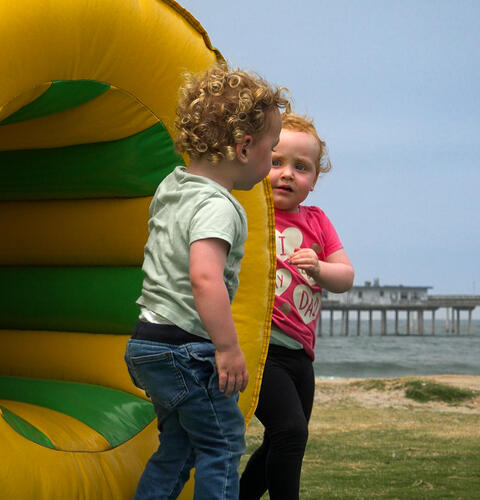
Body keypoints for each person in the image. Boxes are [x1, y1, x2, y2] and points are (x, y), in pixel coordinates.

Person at [124, 62, 289, 500]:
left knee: (179, 446)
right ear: (244, 147)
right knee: (222, 444)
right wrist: (228, 347)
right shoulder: (218, 206)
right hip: (186, 350)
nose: (272, 162)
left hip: (148, 344)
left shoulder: (173, 186)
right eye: (272, 151)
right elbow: (203, 276)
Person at [239, 112, 354, 500]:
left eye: (300, 167)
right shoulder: (249, 212)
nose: (287, 173)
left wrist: (321, 268)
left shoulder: (318, 222)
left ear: (314, 180)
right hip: (261, 350)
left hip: (301, 357)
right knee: (290, 432)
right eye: (275, 162)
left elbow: (346, 277)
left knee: (282, 440)